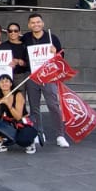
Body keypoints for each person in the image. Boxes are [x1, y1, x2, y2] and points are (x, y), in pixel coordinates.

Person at [21, 14, 65, 147]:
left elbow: (61, 57)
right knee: (34, 107)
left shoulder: (52, 38)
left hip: (48, 75)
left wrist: (55, 52)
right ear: (29, 25)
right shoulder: (26, 38)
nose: (36, 24)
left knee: (53, 105)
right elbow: (23, 57)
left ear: (42, 23)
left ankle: (60, 135)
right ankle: (39, 133)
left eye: (38, 22)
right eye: (32, 23)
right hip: (32, 76)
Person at [0, 75, 38, 154]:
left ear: (11, 84)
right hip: (9, 123)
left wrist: (9, 105)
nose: (4, 83)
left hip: (22, 123)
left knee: (22, 141)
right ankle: (1, 142)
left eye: (6, 81)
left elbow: (18, 117)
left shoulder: (18, 95)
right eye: (2, 82)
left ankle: (30, 142)